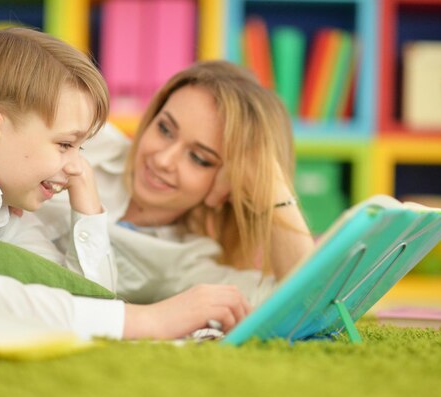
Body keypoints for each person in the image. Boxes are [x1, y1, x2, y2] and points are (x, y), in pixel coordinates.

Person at [0, 29, 250, 341]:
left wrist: (87, 206)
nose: (77, 166)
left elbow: (84, 295)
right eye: (65, 145)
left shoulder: (3, 210)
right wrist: (149, 321)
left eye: (81, 148)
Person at [36, 60, 315, 307]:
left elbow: (306, 301)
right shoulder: (88, 137)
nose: (164, 160)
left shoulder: (186, 263)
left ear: (229, 184)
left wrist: (272, 187)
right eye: (165, 129)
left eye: (198, 158)